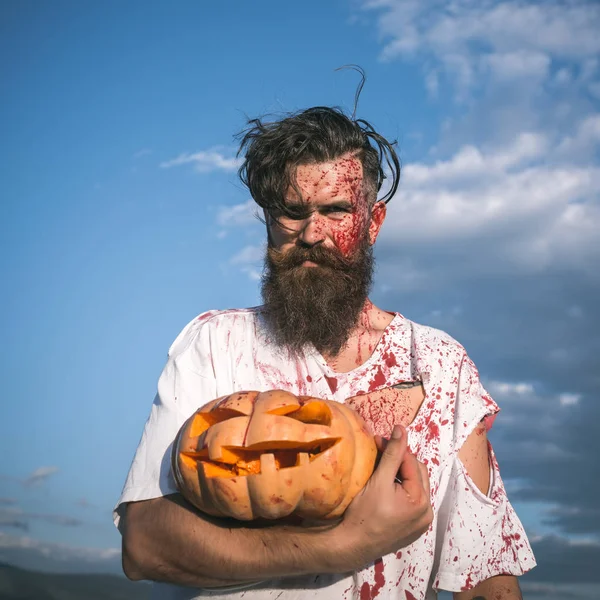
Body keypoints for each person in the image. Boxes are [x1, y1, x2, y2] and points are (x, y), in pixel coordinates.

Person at [114, 106, 536, 599]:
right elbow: (145, 544)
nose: (312, 234)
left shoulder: (439, 364)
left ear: (373, 222)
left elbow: (485, 579)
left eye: (336, 211)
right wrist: (344, 544)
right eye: (292, 213)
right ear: (270, 223)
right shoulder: (214, 343)